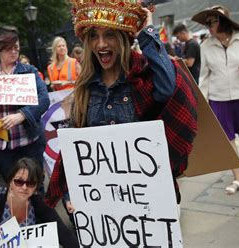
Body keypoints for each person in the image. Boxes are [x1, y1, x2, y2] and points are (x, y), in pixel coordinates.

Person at [45, 0, 197, 208]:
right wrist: (72, 191)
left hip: (148, 199)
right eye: (94, 36)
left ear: (123, 38)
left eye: (109, 34)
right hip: (105, 203)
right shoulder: (85, 88)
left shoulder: (142, 76)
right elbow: (75, 146)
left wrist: (147, 34)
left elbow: (169, 89)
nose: (101, 44)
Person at [193, 5, 239, 194]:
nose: (208, 26)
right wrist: (202, 102)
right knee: (227, 139)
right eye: (207, 23)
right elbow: (204, 76)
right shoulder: (205, 45)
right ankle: (237, 177)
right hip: (219, 99)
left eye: (211, 22)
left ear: (223, 21)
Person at [0, 28, 50, 182]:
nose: (14, 52)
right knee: (13, 188)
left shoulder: (29, 71)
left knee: (35, 186)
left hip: (29, 141)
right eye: (10, 48)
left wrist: (21, 115)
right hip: (2, 147)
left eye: (17, 48)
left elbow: (44, 99)